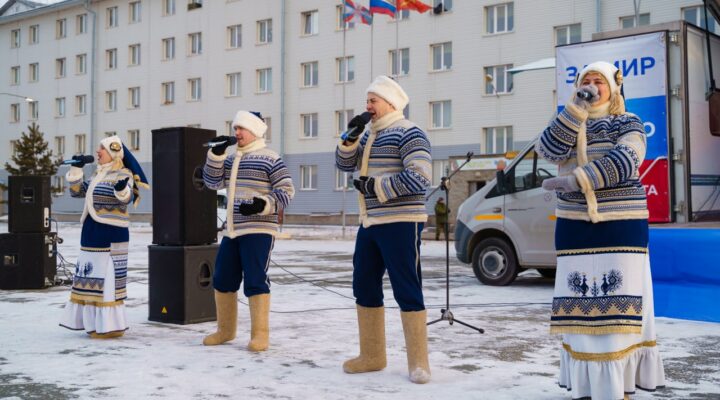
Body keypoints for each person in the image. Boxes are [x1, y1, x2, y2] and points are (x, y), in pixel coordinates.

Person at [537, 61, 665, 400]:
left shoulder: (628, 121)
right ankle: (587, 385)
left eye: (599, 81)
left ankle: (617, 385)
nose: (592, 85)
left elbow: (627, 160)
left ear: (613, 87)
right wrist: (575, 108)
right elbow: (547, 149)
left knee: (617, 308)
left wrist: (576, 180)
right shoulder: (568, 119)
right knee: (579, 308)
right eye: (585, 81)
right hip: (574, 227)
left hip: (621, 227)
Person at [336, 75, 433, 384]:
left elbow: (420, 177)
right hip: (371, 223)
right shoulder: (367, 136)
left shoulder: (410, 132)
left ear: (390, 102)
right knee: (363, 284)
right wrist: (349, 139)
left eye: (372, 100)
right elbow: (342, 165)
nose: (368, 106)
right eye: (366, 101)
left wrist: (374, 186)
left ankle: (419, 363)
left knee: (406, 286)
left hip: (401, 222)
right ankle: (372, 355)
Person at [202, 110, 295, 352]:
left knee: (255, 279)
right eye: (235, 128)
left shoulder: (270, 158)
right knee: (222, 278)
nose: (237, 133)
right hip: (232, 232)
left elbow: (287, 190)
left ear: (255, 130)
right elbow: (212, 183)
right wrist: (216, 155)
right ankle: (225, 331)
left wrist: (263, 204)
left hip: (259, 229)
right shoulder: (231, 159)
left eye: (241, 128)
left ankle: (260, 335)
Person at [59, 136, 149, 338]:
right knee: (91, 279)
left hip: (110, 234)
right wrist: (76, 169)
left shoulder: (123, 173)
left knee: (106, 281)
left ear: (113, 152)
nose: (97, 151)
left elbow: (126, 198)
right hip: (91, 233)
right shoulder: (99, 174)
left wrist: (121, 190)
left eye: (102, 148)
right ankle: (93, 324)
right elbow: (77, 192)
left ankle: (109, 326)